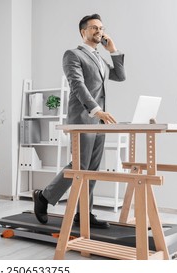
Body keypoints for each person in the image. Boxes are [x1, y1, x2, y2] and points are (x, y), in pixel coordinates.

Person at [33, 13, 126, 229]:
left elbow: (120, 76)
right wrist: (96, 110)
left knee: (91, 169)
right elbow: (77, 85)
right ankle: (44, 197)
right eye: (94, 28)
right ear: (82, 31)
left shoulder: (100, 59)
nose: (99, 31)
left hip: (99, 122)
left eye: (101, 28)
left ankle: (83, 213)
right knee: (80, 165)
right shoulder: (72, 55)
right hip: (84, 118)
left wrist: (112, 50)